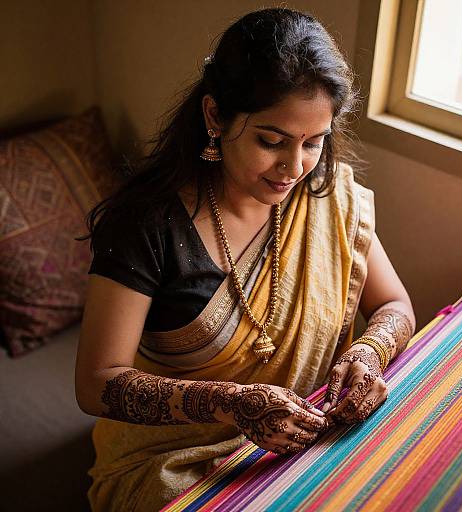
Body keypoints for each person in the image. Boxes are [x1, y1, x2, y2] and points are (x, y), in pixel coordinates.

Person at [75, 7, 415, 512]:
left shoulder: (323, 196)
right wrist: (231, 403)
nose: (293, 167)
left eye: (314, 143)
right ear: (215, 116)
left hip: (306, 433)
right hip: (174, 460)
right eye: (270, 141)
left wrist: (367, 354)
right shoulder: (145, 224)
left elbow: (395, 306)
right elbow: (95, 383)